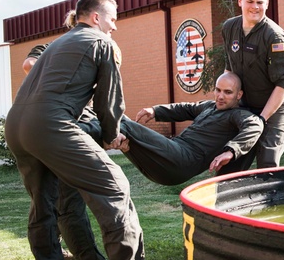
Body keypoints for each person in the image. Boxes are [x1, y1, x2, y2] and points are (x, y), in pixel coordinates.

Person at [5, 0, 170, 260]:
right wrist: (112, 136)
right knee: (114, 186)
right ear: (96, 18)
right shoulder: (99, 42)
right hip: (50, 124)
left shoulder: (57, 43)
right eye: (112, 20)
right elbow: (110, 99)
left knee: (43, 200)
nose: (115, 28)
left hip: (16, 124)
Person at [19, 9, 110, 260]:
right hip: (56, 128)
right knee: (67, 200)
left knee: (45, 200)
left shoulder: (83, 51)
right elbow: (28, 65)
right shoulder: (54, 49)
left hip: (34, 126)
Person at [82, 71, 263, 186]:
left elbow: (256, 125)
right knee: (122, 129)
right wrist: (155, 110)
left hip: (181, 160)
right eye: (218, 90)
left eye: (228, 92)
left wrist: (231, 151)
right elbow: (185, 108)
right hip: (162, 164)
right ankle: (83, 118)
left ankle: (72, 132)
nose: (220, 96)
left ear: (239, 95)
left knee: (125, 125)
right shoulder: (210, 106)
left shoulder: (238, 115)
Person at [220, 0, 284, 169]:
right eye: (250, 1)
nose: (255, 7)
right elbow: (229, 69)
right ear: (240, 1)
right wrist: (224, 102)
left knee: (267, 159)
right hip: (247, 104)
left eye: (260, 2)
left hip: (277, 105)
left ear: (267, 4)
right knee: (231, 158)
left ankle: (272, 199)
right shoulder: (229, 28)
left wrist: (261, 120)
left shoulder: (275, 37)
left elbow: (283, 85)